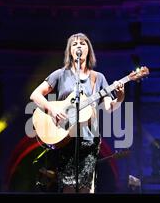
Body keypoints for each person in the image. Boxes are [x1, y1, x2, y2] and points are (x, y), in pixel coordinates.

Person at [30, 32, 125, 193]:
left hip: (89, 142)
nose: (79, 46)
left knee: (85, 189)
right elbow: (35, 95)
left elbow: (109, 107)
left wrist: (120, 97)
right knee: (67, 189)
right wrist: (52, 109)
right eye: (74, 44)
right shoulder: (60, 74)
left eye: (83, 43)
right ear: (69, 51)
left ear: (88, 49)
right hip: (64, 139)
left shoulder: (98, 78)